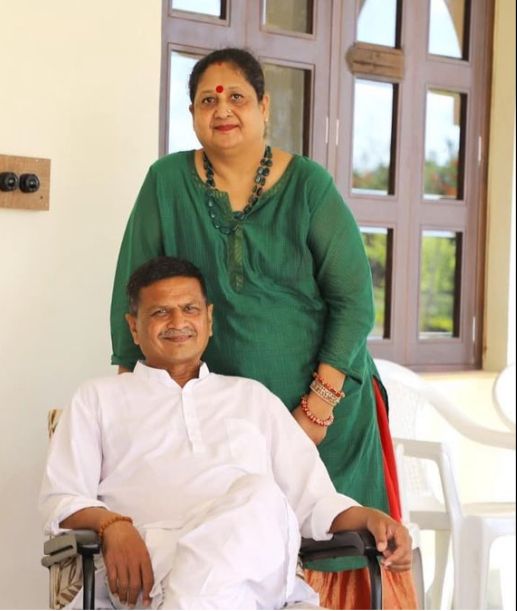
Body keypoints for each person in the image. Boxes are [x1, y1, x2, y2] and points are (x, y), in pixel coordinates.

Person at [110, 48, 416, 608]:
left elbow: (353, 302)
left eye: (237, 97)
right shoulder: (166, 182)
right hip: (228, 421)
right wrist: (130, 396)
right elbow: (133, 291)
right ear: (192, 114)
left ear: (264, 107)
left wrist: (317, 410)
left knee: (337, 538)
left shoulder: (308, 186)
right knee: (232, 540)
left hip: (328, 415)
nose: (222, 110)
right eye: (207, 100)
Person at [40, 257, 412, 610]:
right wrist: (112, 525)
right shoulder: (98, 398)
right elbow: (61, 496)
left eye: (190, 309)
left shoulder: (252, 398)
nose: (178, 322)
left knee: (260, 496)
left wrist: (369, 517)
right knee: (256, 502)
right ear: (134, 327)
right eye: (160, 312)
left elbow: (313, 500)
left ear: (209, 319)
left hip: (252, 565)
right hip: (150, 570)